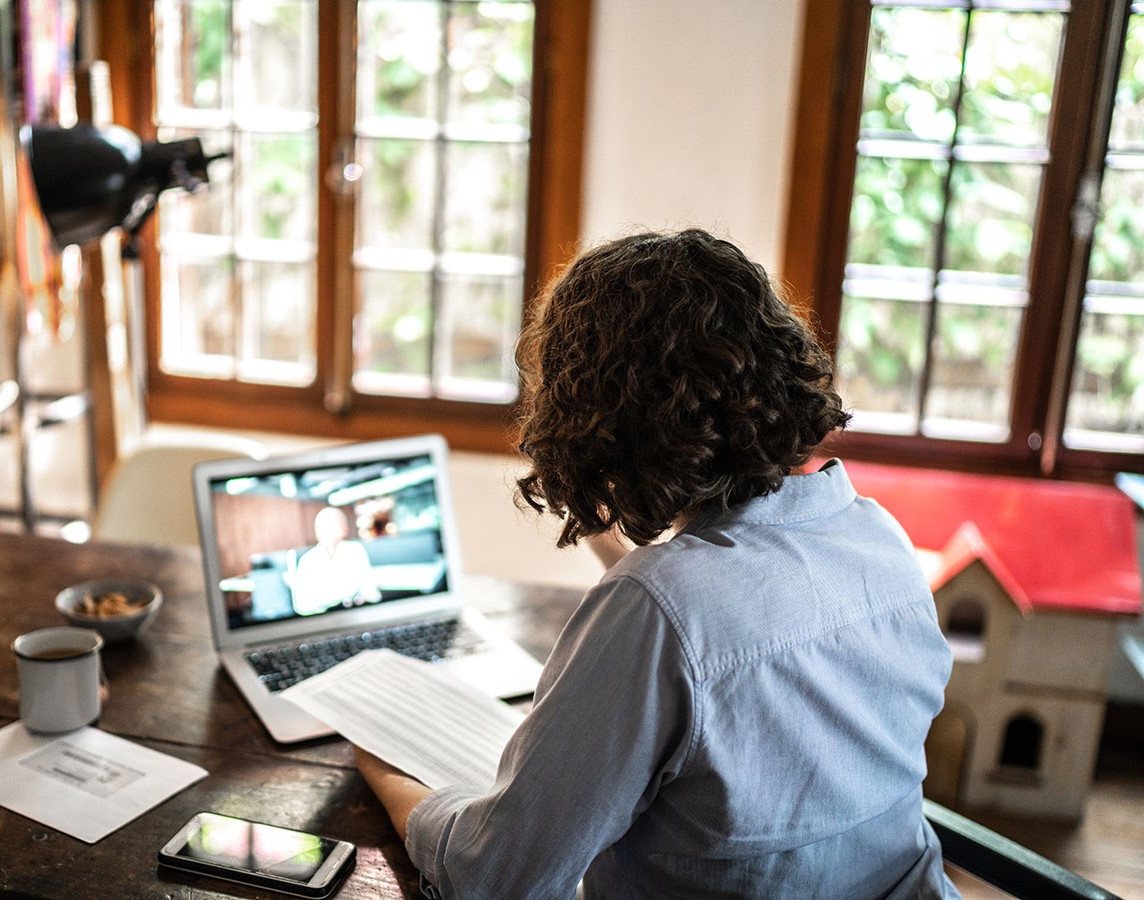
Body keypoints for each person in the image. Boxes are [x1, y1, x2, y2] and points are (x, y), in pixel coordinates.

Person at [355, 228, 959, 898]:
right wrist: (611, 542)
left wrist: (393, 780)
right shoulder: (877, 540)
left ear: (596, 413)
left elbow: (499, 877)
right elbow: (730, 615)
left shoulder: (657, 607)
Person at [290, 506, 382, 615]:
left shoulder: (355, 550)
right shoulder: (307, 561)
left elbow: (370, 592)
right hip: (321, 619)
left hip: (356, 614)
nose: (325, 531)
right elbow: (302, 606)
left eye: (332, 525)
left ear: (344, 529)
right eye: (322, 526)